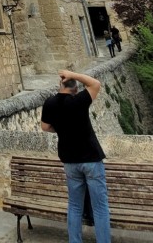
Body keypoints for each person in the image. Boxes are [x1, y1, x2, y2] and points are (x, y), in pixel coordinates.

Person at [41, 70, 111, 243]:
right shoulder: (79, 100)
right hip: (91, 159)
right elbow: (95, 84)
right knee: (100, 208)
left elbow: (45, 127)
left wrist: (61, 128)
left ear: (61, 85)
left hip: (70, 161)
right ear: (75, 88)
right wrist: (73, 74)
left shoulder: (50, 103)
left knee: (74, 206)